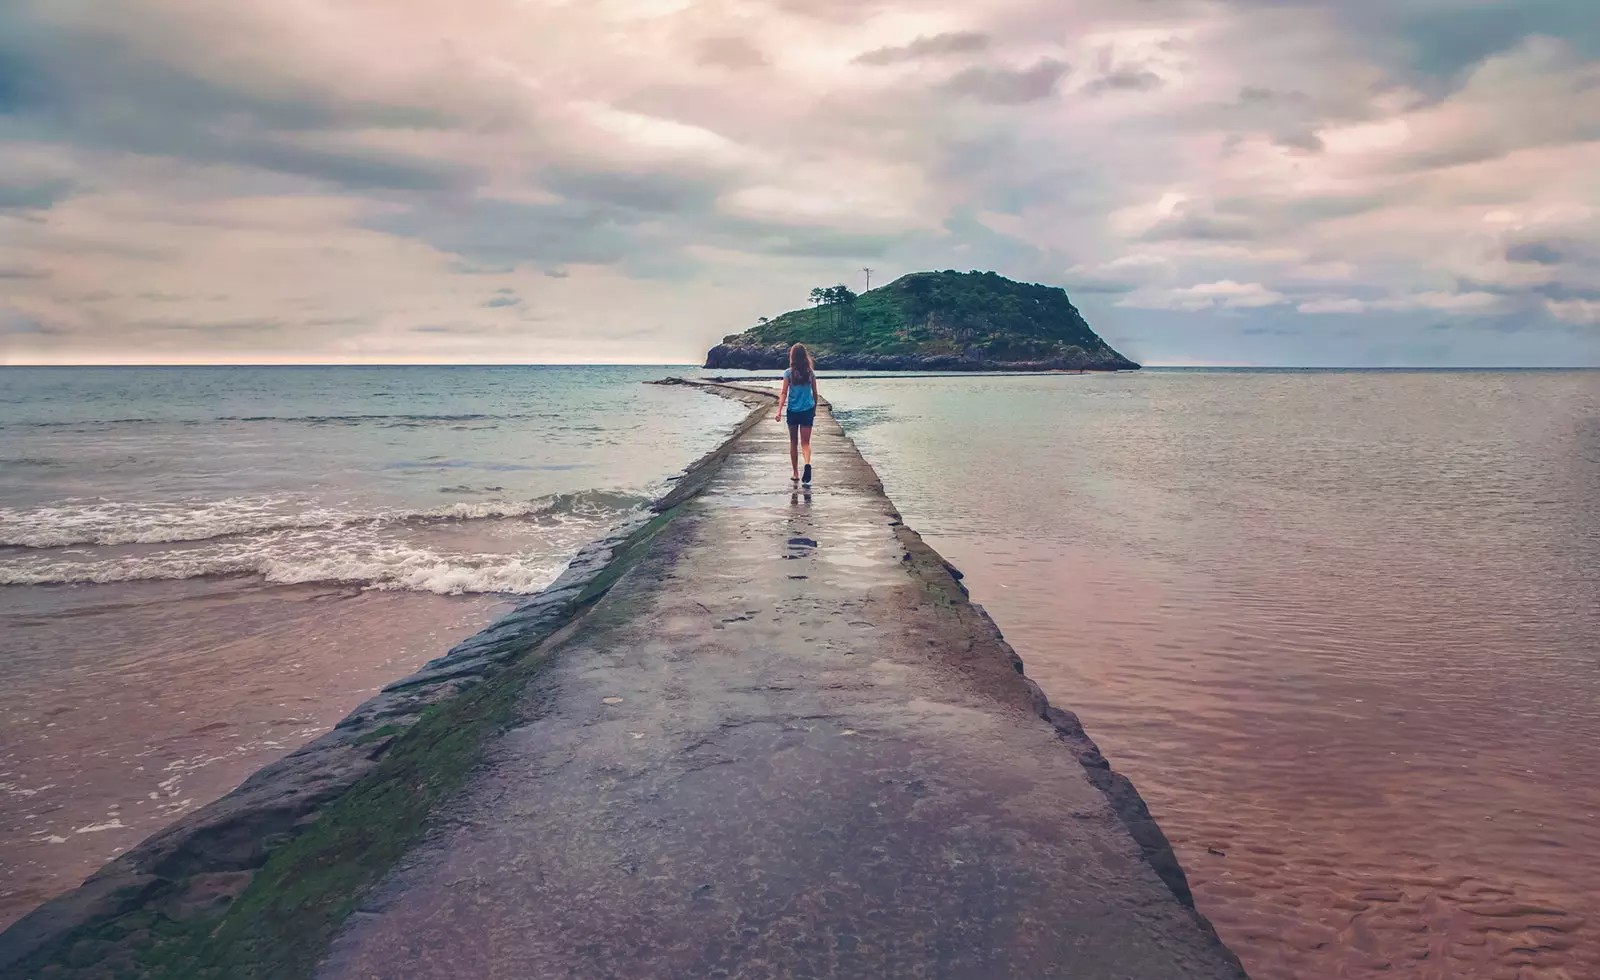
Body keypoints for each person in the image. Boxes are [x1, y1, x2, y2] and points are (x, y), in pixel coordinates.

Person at [775, 343, 819, 485]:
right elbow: (815, 393)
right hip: (807, 410)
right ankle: (807, 463)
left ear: (792, 356)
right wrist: (814, 409)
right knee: (805, 443)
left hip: (793, 411)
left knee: (793, 442)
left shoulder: (788, 373)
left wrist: (779, 410)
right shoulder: (810, 372)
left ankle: (795, 473)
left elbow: (783, 393)